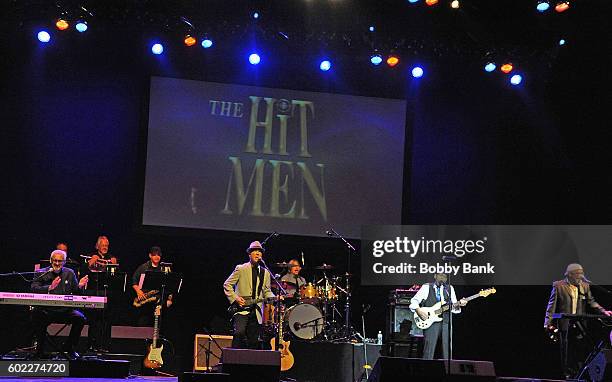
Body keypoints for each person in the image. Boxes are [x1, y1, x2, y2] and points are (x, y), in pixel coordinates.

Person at [544, 263, 612, 379]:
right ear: (570, 274)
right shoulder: (558, 286)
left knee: (581, 348)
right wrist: (547, 323)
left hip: (580, 322)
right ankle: (567, 375)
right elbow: (551, 306)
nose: (580, 277)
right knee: (566, 349)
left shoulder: (584, 285)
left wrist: (603, 311)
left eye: (582, 274)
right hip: (565, 322)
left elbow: (591, 301)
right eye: (578, 274)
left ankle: (580, 375)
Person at [31, 250, 89, 359]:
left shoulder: (70, 273)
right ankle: (40, 350)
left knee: (80, 318)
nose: (57, 263)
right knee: (36, 315)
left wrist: (80, 286)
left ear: (64, 262)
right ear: (50, 261)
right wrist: (49, 287)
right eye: (55, 261)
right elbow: (34, 288)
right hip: (47, 310)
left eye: (60, 261)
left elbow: (76, 293)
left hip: (65, 310)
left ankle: (69, 346)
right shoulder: (42, 272)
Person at [223, 241, 275, 349]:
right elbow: (227, 284)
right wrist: (236, 298)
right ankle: (233, 360)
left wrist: (274, 297)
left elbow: (267, 291)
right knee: (239, 333)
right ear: (249, 254)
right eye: (254, 251)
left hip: (256, 310)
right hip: (242, 308)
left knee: (254, 341)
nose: (257, 253)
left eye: (260, 252)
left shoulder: (265, 273)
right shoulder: (241, 268)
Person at [409, 273, 467, 360]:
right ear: (435, 276)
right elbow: (414, 301)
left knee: (447, 351)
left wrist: (459, 304)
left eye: (444, 277)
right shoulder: (426, 287)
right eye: (440, 275)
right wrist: (418, 310)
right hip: (431, 322)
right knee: (428, 350)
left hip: (446, 322)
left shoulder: (449, 288)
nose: (442, 278)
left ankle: (447, 372)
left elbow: (454, 308)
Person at [83, 235, 118, 353]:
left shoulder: (111, 257)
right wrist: (92, 260)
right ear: (97, 246)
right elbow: (86, 268)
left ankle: (105, 345)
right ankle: (92, 344)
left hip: (106, 292)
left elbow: (115, 272)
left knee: (106, 320)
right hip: (94, 292)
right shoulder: (92, 255)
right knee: (94, 320)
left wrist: (113, 263)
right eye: (103, 245)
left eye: (107, 245)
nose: (105, 247)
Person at [131, 246, 173, 326]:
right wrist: (138, 291)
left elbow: (170, 285)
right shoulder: (143, 267)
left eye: (158, 255)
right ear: (150, 255)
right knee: (143, 322)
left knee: (158, 325)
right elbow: (134, 280)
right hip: (145, 300)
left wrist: (169, 299)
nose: (157, 257)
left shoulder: (164, 268)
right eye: (154, 255)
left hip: (159, 301)